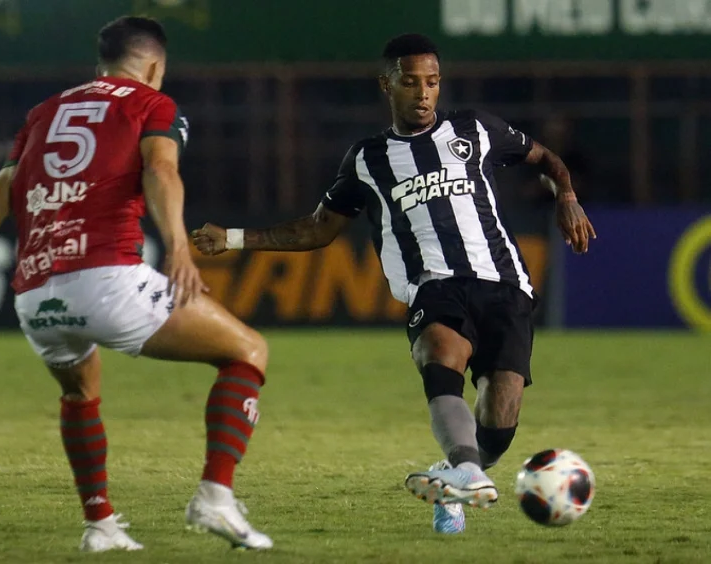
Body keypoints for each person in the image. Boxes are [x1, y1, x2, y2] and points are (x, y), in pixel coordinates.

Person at [192, 33, 596, 535]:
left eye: (432, 82)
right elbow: (317, 229)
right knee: (439, 353)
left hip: (504, 282)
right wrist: (232, 237)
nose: (424, 93)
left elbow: (546, 158)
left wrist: (567, 196)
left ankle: (460, 475)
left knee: (500, 415)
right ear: (386, 85)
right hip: (433, 285)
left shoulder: (476, 128)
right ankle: (464, 469)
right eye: (410, 82)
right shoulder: (367, 158)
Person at [0, 16, 273, 552]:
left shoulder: (43, 113)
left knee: (79, 393)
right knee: (248, 351)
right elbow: (161, 171)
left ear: (102, 63)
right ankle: (214, 495)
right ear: (155, 65)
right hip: (107, 280)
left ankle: (100, 524)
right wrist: (179, 249)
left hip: (33, 293)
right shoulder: (151, 104)